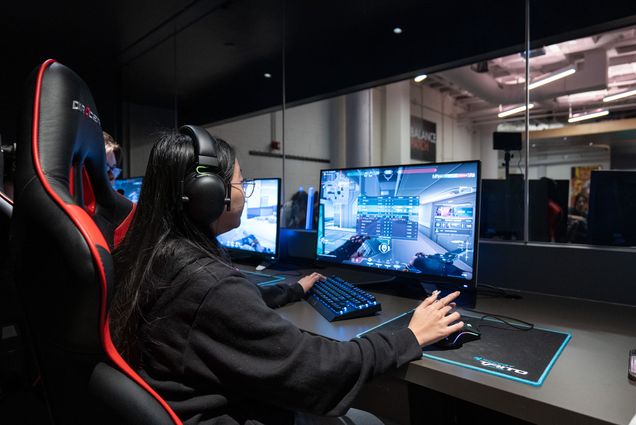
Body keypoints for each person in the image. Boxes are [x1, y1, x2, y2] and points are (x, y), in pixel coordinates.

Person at [109, 127, 464, 425]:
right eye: (240, 185)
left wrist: (291, 290)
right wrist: (410, 335)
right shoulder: (210, 286)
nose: (243, 196)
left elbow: (223, 311)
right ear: (208, 196)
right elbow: (317, 369)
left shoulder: (155, 257)